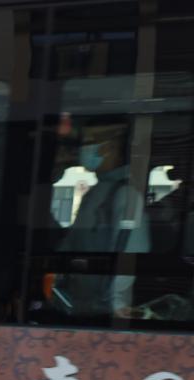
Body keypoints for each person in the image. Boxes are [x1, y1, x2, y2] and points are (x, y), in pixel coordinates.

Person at [53, 120, 150, 316]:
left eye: (92, 141)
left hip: (104, 311)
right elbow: (71, 242)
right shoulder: (95, 193)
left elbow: (129, 254)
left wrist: (116, 304)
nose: (84, 148)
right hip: (78, 303)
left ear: (112, 147)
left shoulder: (125, 195)